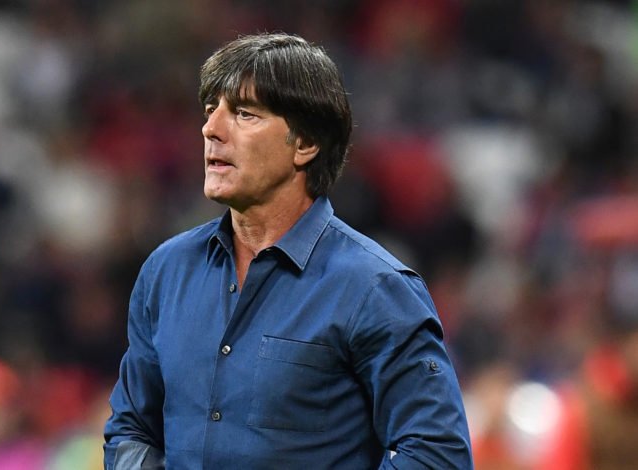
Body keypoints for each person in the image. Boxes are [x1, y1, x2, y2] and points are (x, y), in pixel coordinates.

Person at [103, 32, 473, 469]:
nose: (211, 129)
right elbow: (132, 429)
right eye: (210, 110)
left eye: (244, 113)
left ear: (305, 144)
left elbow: (435, 454)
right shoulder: (167, 271)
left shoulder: (374, 289)